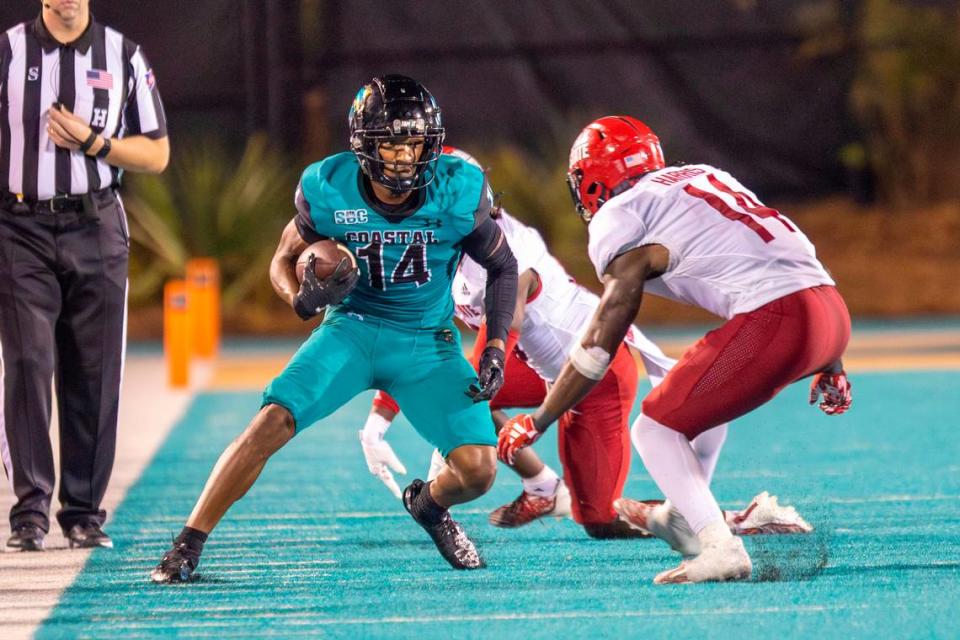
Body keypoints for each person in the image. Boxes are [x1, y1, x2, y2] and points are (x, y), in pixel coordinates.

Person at [150, 75, 517, 582]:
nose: (404, 157)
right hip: (352, 330)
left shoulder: (458, 188)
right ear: (365, 145)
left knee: (479, 470)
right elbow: (282, 260)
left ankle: (429, 505)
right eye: (390, 143)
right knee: (270, 422)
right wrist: (298, 298)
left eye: (413, 143)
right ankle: (187, 544)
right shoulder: (328, 186)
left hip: (426, 342)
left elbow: (504, 266)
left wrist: (493, 345)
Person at [361, 148, 813, 539]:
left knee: (598, 520)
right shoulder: (439, 252)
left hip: (592, 375)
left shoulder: (504, 252)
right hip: (541, 367)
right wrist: (377, 421)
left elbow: (495, 344)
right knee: (448, 386)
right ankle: (542, 488)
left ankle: (728, 520)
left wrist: (452, 435)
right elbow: (419, 337)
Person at [498, 116, 852, 584]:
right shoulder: (706, 175)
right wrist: (830, 357)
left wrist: (540, 417)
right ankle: (681, 516)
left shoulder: (620, 214)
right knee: (697, 395)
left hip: (780, 314)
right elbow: (785, 252)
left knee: (654, 429)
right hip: (830, 309)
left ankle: (719, 546)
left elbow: (603, 336)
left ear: (595, 177)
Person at [0, 0, 169, 551]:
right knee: (26, 362)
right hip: (19, 225)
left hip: (95, 222)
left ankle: (82, 513)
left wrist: (95, 144)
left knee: (94, 372)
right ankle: (28, 512)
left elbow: (157, 151)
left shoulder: (123, 54)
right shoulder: (8, 49)